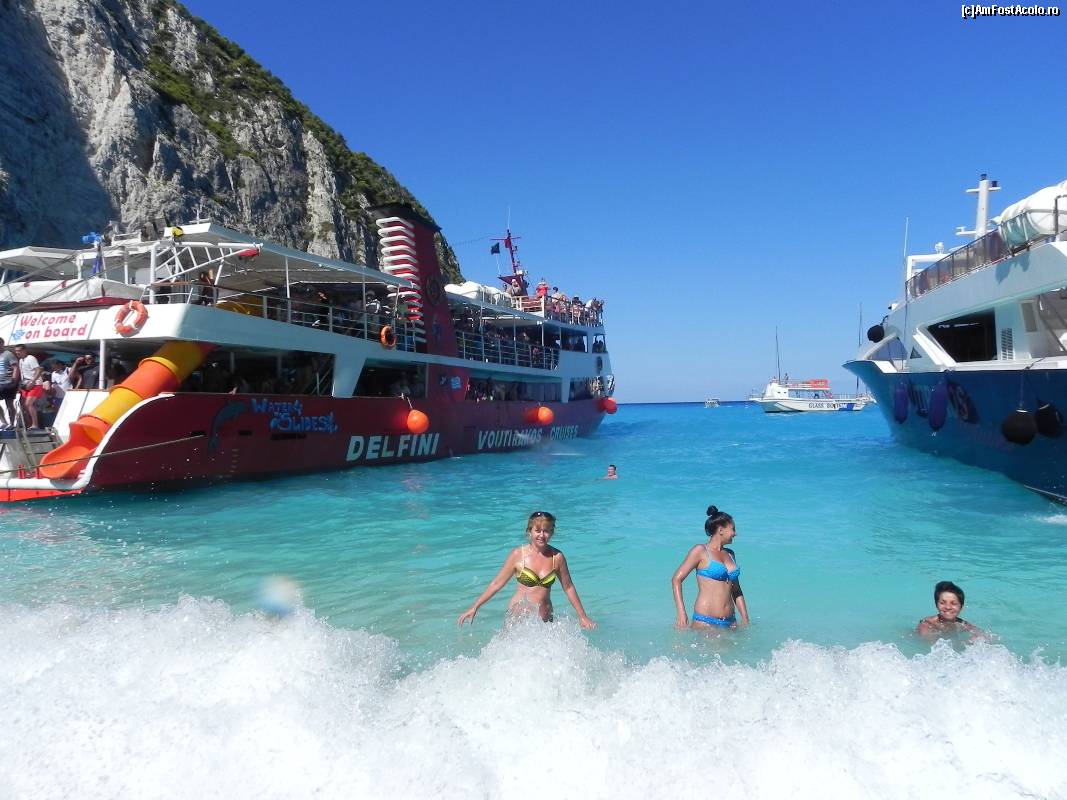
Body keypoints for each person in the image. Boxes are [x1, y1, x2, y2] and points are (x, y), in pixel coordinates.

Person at [458, 511, 596, 629]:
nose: (542, 535)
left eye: (546, 531)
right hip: (518, 619)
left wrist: (582, 616)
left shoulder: (557, 557)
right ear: (529, 531)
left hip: (545, 620)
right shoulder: (518, 555)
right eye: (537, 530)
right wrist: (475, 607)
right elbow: (496, 584)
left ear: (551, 532)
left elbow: (568, 587)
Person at [671, 505, 750, 630]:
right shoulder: (700, 551)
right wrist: (681, 613)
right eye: (733, 529)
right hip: (705, 621)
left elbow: (736, 590)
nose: (735, 533)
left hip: (730, 623)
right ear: (721, 530)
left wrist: (745, 618)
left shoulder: (730, 554)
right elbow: (676, 579)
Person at [917, 581, 985, 640]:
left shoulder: (963, 624)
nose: (948, 607)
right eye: (942, 603)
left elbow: (982, 636)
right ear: (936, 604)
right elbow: (926, 642)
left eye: (953, 603)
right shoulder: (927, 624)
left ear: (961, 607)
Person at [14, 345, 42, 430]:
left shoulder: (31, 358)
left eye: (19, 350)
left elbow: (39, 370)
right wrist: (20, 386)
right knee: (24, 405)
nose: (17, 352)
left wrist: (32, 381)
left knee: (28, 404)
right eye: (16, 351)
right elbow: (23, 374)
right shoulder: (20, 360)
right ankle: (30, 425)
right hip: (25, 384)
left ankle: (35, 425)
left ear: (25, 350)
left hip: (35, 384)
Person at [0, 338, 20, 430]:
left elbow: (15, 367)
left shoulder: (8, 354)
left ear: (2, 344)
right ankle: (4, 422)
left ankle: (11, 424)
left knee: (9, 404)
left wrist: (14, 380)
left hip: (8, 382)